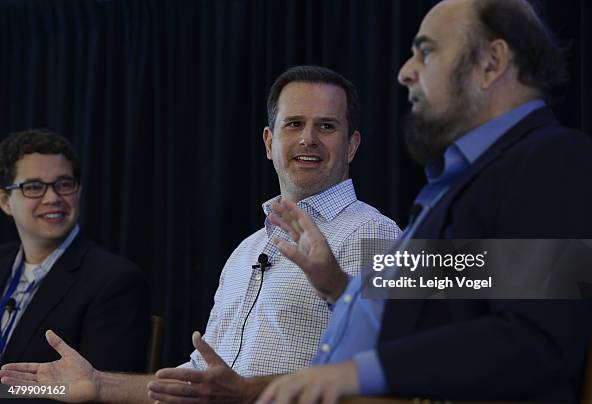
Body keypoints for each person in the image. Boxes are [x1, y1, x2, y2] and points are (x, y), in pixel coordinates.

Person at [253, 0, 592, 402]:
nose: (405, 72)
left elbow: (540, 338)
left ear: (491, 63)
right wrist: (338, 287)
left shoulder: (558, 159)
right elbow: (441, 308)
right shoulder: (457, 182)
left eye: (426, 51)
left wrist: (353, 375)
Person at [0, 67, 400, 402]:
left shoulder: (377, 233)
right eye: (294, 124)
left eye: (326, 126)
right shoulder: (247, 251)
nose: (308, 138)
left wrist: (338, 287)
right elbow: (196, 383)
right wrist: (100, 384)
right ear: (268, 142)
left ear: (351, 146)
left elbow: (397, 361)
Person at [0, 129, 150, 373]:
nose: (53, 197)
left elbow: (102, 392)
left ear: (78, 191)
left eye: (64, 184)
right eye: (34, 186)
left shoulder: (116, 282)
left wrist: (8, 392)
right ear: (5, 201)